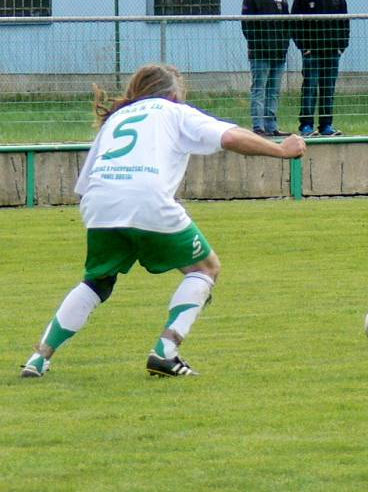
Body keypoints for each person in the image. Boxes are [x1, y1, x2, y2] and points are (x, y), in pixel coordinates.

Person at [20, 64, 306, 378]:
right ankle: (165, 352)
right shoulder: (174, 111)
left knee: (97, 281)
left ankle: (39, 357)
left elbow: (86, 182)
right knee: (205, 267)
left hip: (99, 202)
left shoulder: (117, 118)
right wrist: (280, 150)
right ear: (172, 94)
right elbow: (231, 136)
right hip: (146, 197)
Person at [291, 0, 349, 137]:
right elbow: (294, 26)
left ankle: (326, 126)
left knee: (328, 89)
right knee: (310, 88)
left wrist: (341, 47)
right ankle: (306, 126)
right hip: (311, 54)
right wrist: (304, 47)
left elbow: (345, 24)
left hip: (332, 53)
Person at [241, 0, 291, 137]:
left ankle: (271, 126)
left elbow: (287, 27)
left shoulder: (281, 0)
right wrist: (258, 45)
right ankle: (258, 127)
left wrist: (283, 47)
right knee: (259, 89)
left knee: (274, 91)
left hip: (278, 55)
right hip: (260, 54)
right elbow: (247, 27)